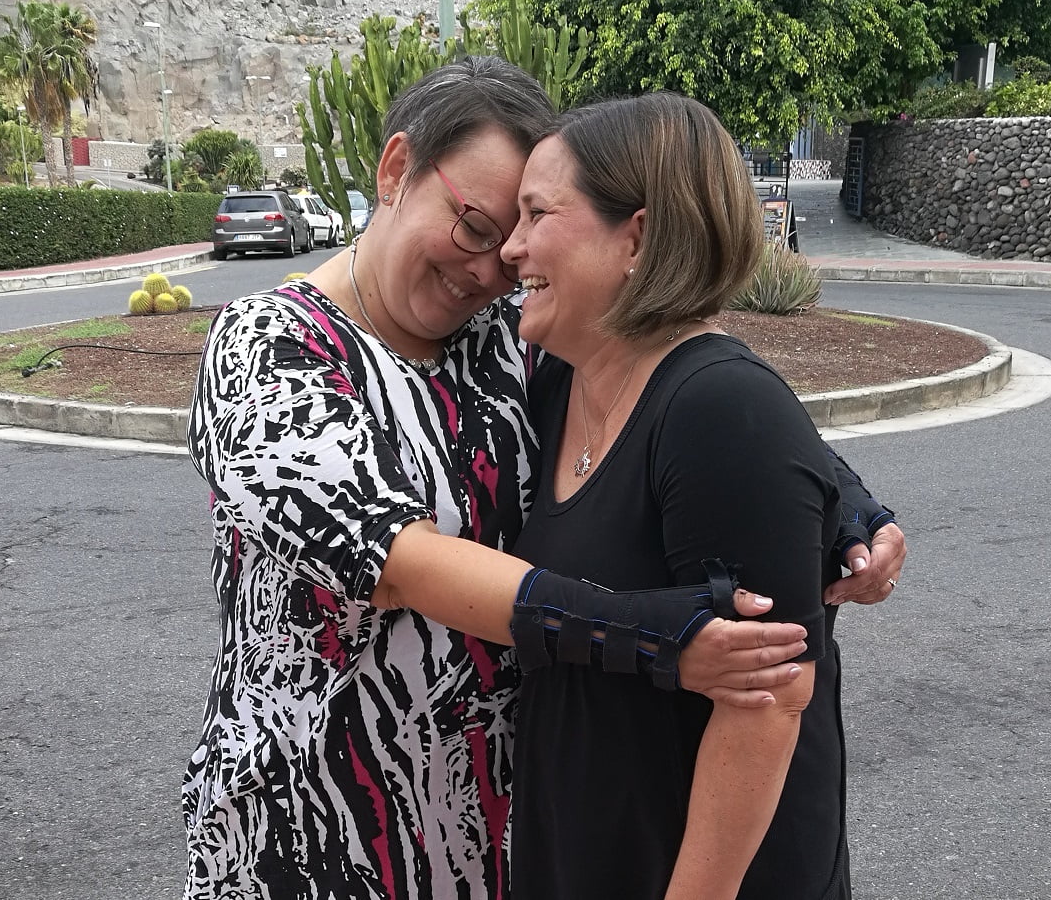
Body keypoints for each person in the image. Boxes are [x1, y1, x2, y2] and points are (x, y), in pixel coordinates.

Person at [184, 58, 904, 899]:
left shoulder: (500, 340)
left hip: (487, 825)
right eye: (475, 226)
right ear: (395, 170)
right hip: (316, 818)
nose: (492, 267)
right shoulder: (267, 346)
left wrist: (843, 503)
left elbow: (675, 389)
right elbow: (392, 558)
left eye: (520, 230)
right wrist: (650, 636)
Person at [502, 92, 855, 900]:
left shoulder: (718, 408)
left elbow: (767, 700)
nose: (511, 247)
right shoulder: (557, 382)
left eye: (536, 213)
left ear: (636, 237)